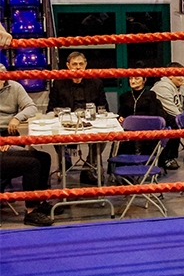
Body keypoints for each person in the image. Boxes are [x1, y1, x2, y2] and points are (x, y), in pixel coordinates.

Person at [0, 62, 53, 227]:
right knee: (32, 164)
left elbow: (31, 107)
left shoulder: (14, 87)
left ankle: (39, 202)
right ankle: (30, 212)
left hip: (9, 137)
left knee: (44, 158)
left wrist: (17, 118)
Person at [47, 51, 109, 184]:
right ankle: (65, 161)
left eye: (81, 64)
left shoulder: (96, 82)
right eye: (74, 64)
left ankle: (89, 165)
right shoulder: (58, 83)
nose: (78, 67)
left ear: (86, 65)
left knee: (103, 137)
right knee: (52, 135)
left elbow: (104, 107)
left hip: (90, 123)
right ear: (68, 66)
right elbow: (51, 108)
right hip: (66, 124)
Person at [117, 67, 172, 156]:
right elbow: (121, 112)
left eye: (137, 78)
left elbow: (152, 115)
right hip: (129, 132)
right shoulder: (124, 96)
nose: (133, 81)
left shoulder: (150, 95)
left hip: (147, 132)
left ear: (144, 80)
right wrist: (120, 117)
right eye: (130, 78)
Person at [151, 62, 184, 170]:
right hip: (160, 119)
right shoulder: (162, 87)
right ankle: (167, 157)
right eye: (179, 75)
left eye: (183, 75)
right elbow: (173, 110)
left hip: (173, 116)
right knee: (175, 122)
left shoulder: (180, 86)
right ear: (170, 75)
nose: (182, 78)